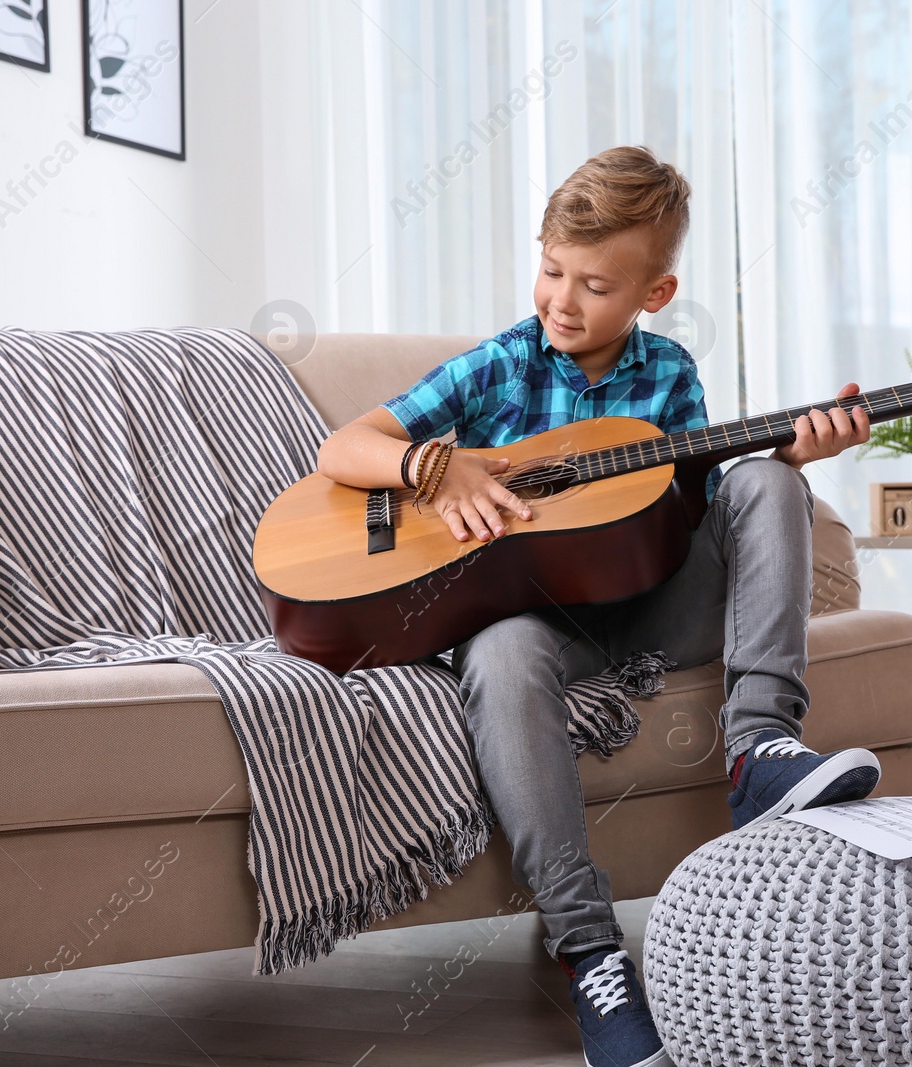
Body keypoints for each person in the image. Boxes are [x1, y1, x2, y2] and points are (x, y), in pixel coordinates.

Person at [315, 145, 881, 1067]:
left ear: (654, 294)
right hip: (542, 628)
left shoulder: (669, 375)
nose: (564, 302)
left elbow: (693, 516)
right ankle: (590, 953)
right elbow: (348, 446)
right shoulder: (497, 368)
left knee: (764, 486)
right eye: (550, 271)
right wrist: (436, 461)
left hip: (652, 606)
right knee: (498, 651)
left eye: (596, 286)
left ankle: (761, 750)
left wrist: (789, 464)